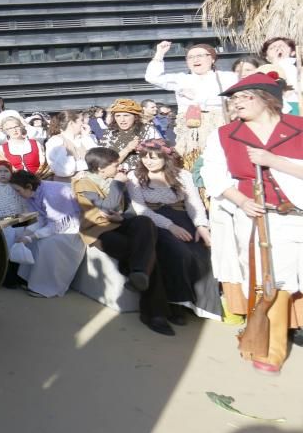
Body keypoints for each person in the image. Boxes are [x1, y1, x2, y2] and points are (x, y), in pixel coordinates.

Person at [201, 72, 303, 373]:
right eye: (233, 98)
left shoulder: (299, 127)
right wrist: (242, 201)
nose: (236, 102)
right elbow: (215, 176)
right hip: (256, 217)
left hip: (297, 214)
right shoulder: (223, 135)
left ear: (267, 98)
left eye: (244, 96)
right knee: (273, 281)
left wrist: (273, 161)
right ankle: (270, 350)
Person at [73, 148, 172, 335]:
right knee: (147, 253)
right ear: (101, 168)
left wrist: (122, 218)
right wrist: (118, 184)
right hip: (98, 230)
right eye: (115, 165)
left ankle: (139, 275)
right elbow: (107, 206)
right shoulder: (82, 183)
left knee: (145, 222)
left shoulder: (114, 179)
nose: (120, 167)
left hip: (119, 223)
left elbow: (123, 209)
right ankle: (156, 313)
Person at [128, 139, 222, 322]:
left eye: (154, 158)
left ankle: (201, 303)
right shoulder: (135, 177)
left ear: (165, 158)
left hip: (183, 217)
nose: (148, 161)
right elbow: (141, 210)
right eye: (145, 157)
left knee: (203, 252)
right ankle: (176, 302)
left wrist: (201, 226)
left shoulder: (182, 175)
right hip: (154, 221)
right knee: (178, 253)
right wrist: (170, 226)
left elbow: (194, 203)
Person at [145, 41, 237, 164]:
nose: (195, 59)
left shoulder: (228, 77)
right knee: (191, 161)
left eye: (200, 56)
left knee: (220, 159)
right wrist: (159, 54)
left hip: (218, 125)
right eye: (191, 57)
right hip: (190, 130)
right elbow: (152, 77)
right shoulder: (182, 79)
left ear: (212, 59)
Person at [9, 170, 85, 298]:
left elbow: (57, 224)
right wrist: (27, 233)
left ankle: (47, 287)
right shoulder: (32, 195)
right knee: (20, 236)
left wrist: (31, 236)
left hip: (72, 228)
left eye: (18, 190)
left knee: (45, 244)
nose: (17, 194)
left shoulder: (51, 194)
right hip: (55, 225)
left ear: (28, 186)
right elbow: (42, 220)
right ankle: (31, 281)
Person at [100, 98, 162, 173]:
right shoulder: (110, 133)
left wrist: (144, 149)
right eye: (118, 116)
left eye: (126, 115)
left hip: (143, 174)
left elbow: (161, 155)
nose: (122, 120)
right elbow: (104, 162)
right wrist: (128, 149)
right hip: (116, 175)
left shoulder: (148, 130)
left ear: (135, 117)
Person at [44, 110, 97, 182]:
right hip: (67, 186)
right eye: (81, 120)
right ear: (71, 123)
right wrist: (89, 165)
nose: (84, 123)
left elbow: (99, 159)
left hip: (89, 185)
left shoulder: (85, 138)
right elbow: (64, 169)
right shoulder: (56, 141)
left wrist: (86, 137)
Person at [261, 37, 299, 114]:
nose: (278, 49)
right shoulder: (262, 71)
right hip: (272, 109)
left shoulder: (297, 69)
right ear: (267, 57)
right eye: (272, 48)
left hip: (295, 105)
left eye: (282, 46)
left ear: (293, 52)